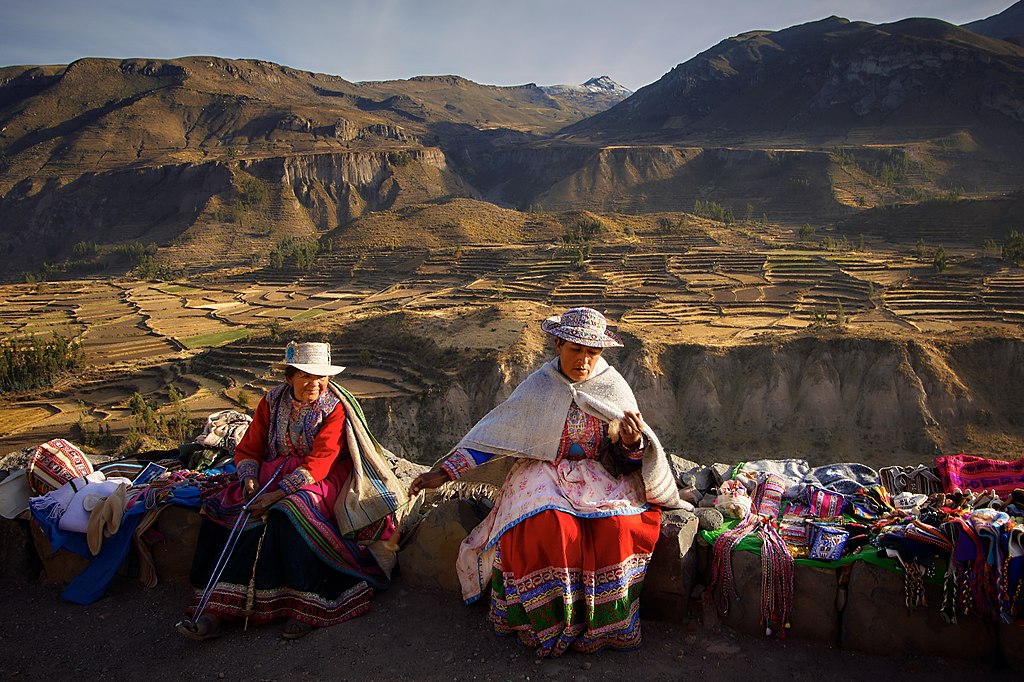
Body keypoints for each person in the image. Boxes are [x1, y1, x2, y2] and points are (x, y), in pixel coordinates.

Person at [409, 307, 691, 657]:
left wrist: (632, 444)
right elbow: (495, 435)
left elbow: (626, 461)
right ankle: (547, 624)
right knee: (550, 526)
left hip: (596, 476)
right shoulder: (538, 387)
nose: (585, 360)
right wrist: (446, 472)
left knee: (618, 527)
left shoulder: (612, 386)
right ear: (558, 344)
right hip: (542, 471)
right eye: (576, 349)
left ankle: (608, 627)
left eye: (593, 352)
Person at [177, 341, 406, 641]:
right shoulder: (270, 402)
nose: (315, 383)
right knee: (230, 511)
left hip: (320, 479)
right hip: (272, 473)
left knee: (291, 514)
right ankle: (217, 609)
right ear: (289, 377)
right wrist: (249, 481)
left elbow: (321, 460)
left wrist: (277, 494)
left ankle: (310, 606)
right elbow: (249, 449)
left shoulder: (333, 408)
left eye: (321, 377)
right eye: (306, 376)